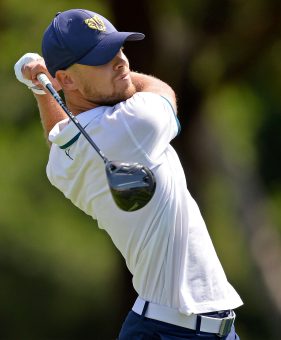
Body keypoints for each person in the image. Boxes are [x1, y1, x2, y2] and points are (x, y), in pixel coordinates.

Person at [14, 9, 243, 339]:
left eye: (119, 49)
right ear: (66, 79)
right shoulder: (137, 122)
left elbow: (59, 135)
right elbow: (162, 90)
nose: (121, 62)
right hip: (183, 329)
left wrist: (43, 88)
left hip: (160, 324)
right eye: (102, 58)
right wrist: (48, 80)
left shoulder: (60, 166)